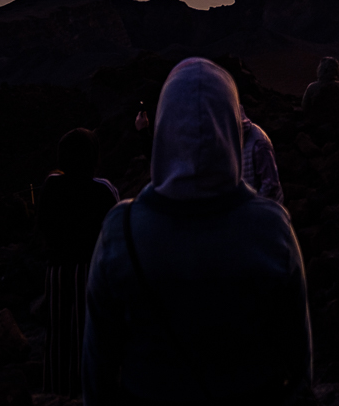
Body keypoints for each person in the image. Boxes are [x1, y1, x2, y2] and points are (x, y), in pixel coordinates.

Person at [84, 58, 311, 405]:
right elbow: (298, 363)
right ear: (231, 127)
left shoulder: (121, 230)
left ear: (165, 128)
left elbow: (98, 365)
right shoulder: (271, 229)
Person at [36, 129, 120, 398]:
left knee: (58, 336)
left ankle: (57, 389)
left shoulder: (51, 185)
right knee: (89, 335)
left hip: (57, 272)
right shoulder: (103, 190)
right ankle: (89, 391)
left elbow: (42, 225)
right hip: (89, 272)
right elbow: (113, 236)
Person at [241, 108, 284, 205]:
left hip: (267, 211)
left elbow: (270, 185)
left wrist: (252, 208)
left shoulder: (259, 144)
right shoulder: (231, 139)